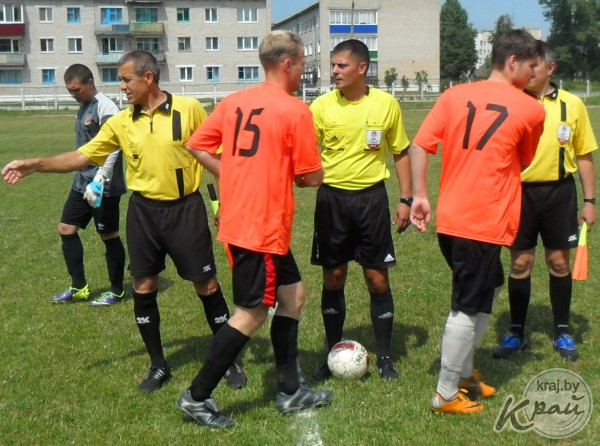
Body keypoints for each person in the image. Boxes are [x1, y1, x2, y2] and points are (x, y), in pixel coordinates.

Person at [2, 50, 246, 393]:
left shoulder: (189, 109)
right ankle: (158, 365)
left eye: (126, 79)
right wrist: (35, 164)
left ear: (148, 78)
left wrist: (225, 203)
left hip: (185, 210)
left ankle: (228, 360)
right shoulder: (120, 121)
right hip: (143, 212)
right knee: (143, 287)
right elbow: (81, 157)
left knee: (205, 285)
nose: (122, 86)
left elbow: (215, 155)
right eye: (120, 80)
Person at [178, 30, 332, 429]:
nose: (302, 71)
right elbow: (311, 177)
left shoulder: (234, 102)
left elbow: (196, 145)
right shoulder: (295, 110)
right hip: (259, 226)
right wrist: (307, 173)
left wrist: (230, 173)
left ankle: (290, 389)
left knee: (293, 296)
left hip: (254, 222)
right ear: (287, 63)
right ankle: (197, 396)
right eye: (302, 64)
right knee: (252, 313)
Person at [409, 30, 545, 414]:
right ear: (512, 62)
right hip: (482, 219)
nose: (535, 73)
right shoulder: (531, 109)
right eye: (531, 65)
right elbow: (525, 160)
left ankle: (465, 374)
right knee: (467, 305)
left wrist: (420, 195)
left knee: (490, 286)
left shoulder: (454, 95)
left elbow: (420, 144)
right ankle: (445, 392)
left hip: (453, 217)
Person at [308, 39, 412, 381]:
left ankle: (384, 357)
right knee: (333, 276)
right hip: (332, 201)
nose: (335, 71)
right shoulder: (321, 106)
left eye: (342, 65)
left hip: (371, 200)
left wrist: (406, 199)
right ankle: (331, 351)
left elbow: (400, 151)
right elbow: (304, 151)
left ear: (362, 68)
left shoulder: (385, 104)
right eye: (333, 65)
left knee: (377, 278)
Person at [493, 41, 597, 362]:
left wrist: (590, 200)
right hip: (519, 193)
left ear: (550, 68)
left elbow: (584, 154)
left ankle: (562, 331)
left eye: (534, 64)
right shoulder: (511, 101)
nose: (528, 69)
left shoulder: (572, 105)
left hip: (559, 194)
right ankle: (516, 332)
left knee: (559, 263)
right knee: (521, 263)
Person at [48, 64, 127, 307]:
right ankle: (79, 287)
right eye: (70, 90)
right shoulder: (83, 106)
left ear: (90, 82)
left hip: (104, 185)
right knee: (66, 229)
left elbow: (114, 146)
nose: (73, 94)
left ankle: (116, 291)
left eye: (76, 89)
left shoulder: (107, 107)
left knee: (108, 236)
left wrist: (101, 177)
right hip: (81, 182)